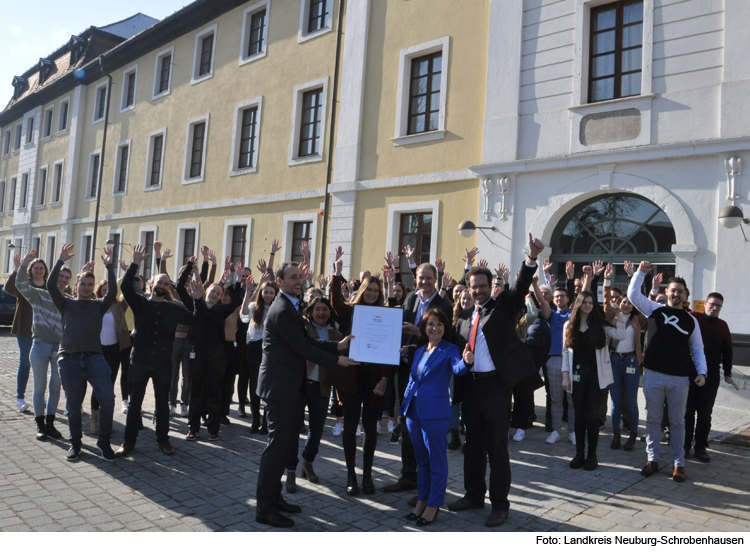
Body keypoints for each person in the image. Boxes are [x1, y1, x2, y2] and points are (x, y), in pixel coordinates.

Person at [447, 234, 544, 528]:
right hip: (472, 387)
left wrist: (531, 259)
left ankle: (500, 505)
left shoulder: (503, 307)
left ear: (491, 287)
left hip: (497, 388)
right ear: (467, 289)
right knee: (472, 446)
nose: (477, 291)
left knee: (497, 449)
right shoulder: (464, 317)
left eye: (482, 286)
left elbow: (519, 288)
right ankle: (473, 495)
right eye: (473, 287)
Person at [254, 261, 357, 528]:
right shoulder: (283, 309)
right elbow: (303, 347)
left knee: (282, 445)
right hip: (280, 388)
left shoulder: (291, 305)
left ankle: (275, 499)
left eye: (300, 277)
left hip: (288, 386)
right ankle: (265, 509)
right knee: (276, 449)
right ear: (279, 280)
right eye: (293, 277)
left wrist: (337, 345)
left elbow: (308, 340)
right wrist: (336, 361)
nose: (299, 281)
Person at [627, 262, 708, 482]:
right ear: (666, 292)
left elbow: (698, 349)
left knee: (677, 422)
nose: (676, 293)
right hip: (653, 374)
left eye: (680, 291)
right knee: (653, 420)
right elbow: (633, 295)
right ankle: (652, 459)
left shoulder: (691, 320)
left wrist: (702, 372)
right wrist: (641, 272)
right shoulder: (654, 309)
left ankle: (678, 463)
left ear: (685, 295)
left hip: (679, 378)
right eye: (672, 290)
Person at [114, 245, 196, 457]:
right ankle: (128, 441)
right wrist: (135, 263)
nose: (162, 285)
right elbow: (125, 287)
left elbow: (193, 317)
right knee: (134, 405)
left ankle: (164, 440)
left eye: (166, 283)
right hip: (139, 360)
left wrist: (192, 296)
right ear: (151, 284)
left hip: (163, 364)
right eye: (159, 281)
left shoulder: (174, 308)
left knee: (162, 404)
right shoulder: (140, 303)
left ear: (169, 288)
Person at [384, 261, 453, 495]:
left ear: (436, 279)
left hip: (430, 375)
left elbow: (444, 339)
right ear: (416, 279)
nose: (424, 281)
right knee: (406, 422)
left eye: (428, 278)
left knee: (427, 430)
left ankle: (428, 488)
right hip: (407, 369)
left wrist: (418, 333)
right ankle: (408, 476)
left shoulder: (444, 305)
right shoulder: (412, 298)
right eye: (420, 278)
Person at [400, 308, 473, 526]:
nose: (435, 328)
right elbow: (413, 381)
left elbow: (457, 368)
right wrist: (402, 410)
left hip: (435, 414)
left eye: (439, 324)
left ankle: (434, 505)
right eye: (431, 324)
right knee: (422, 462)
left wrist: (467, 362)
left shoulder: (449, 349)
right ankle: (421, 501)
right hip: (414, 412)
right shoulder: (420, 350)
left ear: (445, 328)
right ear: (424, 327)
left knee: (437, 463)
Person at [47, 243, 118, 462]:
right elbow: (51, 285)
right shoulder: (66, 304)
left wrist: (109, 266)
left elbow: (114, 291)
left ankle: (104, 443)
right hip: (69, 359)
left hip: (95, 358)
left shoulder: (99, 305)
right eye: (83, 284)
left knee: (108, 398)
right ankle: (75, 444)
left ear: (93, 286)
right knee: (73, 406)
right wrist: (60, 261)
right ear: (76, 285)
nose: (86, 287)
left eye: (90, 285)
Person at [331, 262, 395, 496]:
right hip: (351, 376)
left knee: (370, 428)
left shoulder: (387, 315)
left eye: (376, 291)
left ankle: (367, 475)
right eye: (369, 289)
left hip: (375, 379)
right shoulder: (350, 311)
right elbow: (335, 302)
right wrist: (337, 275)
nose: (372, 294)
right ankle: (351, 476)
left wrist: (385, 378)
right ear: (362, 290)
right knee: (350, 427)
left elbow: (391, 349)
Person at [176, 260, 240, 441]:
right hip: (195, 353)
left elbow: (236, 300)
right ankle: (193, 428)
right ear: (206, 291)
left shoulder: (221, 311)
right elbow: (180, 286)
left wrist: (233, 282)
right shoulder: (195, 303)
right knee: (195, 391)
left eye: (218, 293)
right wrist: (189, 266)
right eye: (212, 291)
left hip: (215, 355)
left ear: (220, 297)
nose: (214, 294)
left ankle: (213, 428)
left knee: (214, 391)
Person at [561, 292, 625, 470]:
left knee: (591, 416)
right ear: (579, 304)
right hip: (576, 377)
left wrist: (618, 314)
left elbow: (622, 335)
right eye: (585, 302)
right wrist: (565, 375)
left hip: (596, 376)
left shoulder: (600, 325)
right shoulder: (569, 326)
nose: (588, 305)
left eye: (590, 302)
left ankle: (592, 455)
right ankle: (579, 454)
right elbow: (566, 351)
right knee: (579, 417)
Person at [14, 251, 69, 440]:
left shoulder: (69, 301)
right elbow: (20, 285)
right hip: (40, 345)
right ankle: (40, 425)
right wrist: (23, 266)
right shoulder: (39, 295)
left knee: (55, 387)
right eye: (59, 276)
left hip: (60, 348)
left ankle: (50, 424)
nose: (62, 280)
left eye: (66, 278)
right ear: (53, 278)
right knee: (39, 387)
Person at [289, 297, 343, 485]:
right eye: (317, 309)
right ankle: (290, 470)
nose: (321, 313)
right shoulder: (303, 327)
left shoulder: (336, 334)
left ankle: (308, 462)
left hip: (322, 386)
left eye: (325, 309)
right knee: (293, 428)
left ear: (330, 312)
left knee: (317, 429)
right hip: (299, 384)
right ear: (311, 312)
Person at [686, 293, 733, 462]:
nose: (714, 308)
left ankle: (700, 447)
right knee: (687, 411)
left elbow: (728, 351)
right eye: (712, 304)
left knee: (705, 414)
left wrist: (727, 373)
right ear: (705, 304)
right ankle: (685, 446)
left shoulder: (723, 326)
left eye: (718, 306)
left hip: (711, 376)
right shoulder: (693, 318)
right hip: (690, 374)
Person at [90, 279, 131, 434]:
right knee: (97, 386)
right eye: (103, 290)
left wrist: (130, 272)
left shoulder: (118, 306)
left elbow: (129, 295)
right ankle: (95, 420)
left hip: (114, 351)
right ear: (99, 291)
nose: (106, 292)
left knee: (109, 387)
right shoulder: (94, 305)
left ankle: (106, 421)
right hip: (97, 350)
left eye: (109, 290)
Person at [607, 292, 647, 451]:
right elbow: (605, 304)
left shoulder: (637, 319)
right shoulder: (612, 317)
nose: (626, 305)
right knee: (615, 402)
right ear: (618, 303)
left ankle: (633, 435)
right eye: (624, 302)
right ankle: (616, 434)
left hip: (631, 361)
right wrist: (607, 280)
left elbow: (647, 307)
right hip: (614, 361)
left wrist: (654, 290)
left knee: (631, 401)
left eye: (630, 303)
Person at [240, 278, 277, 433]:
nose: (268, 295)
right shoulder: (254, 306)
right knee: (255, 384)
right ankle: (255, 419)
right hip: (255, 347)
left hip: (271, 349)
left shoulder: (278, 309)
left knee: (268, 385)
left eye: (271, 293)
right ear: (261, 293)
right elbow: (243, 316)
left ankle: (266, 422)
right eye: (265, 292)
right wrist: (248, 292)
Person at [4, 255, 36, 413]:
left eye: (41, 268)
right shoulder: (25, 285)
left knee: (40, 365)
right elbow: (9, 289)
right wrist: (17, 269)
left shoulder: (48, 286)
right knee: (25, 362)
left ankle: (39, 396)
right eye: (35, 268)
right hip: (24, 329)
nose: (38, 270)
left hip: (44, 331)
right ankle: (20, 397)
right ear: (31, 271)